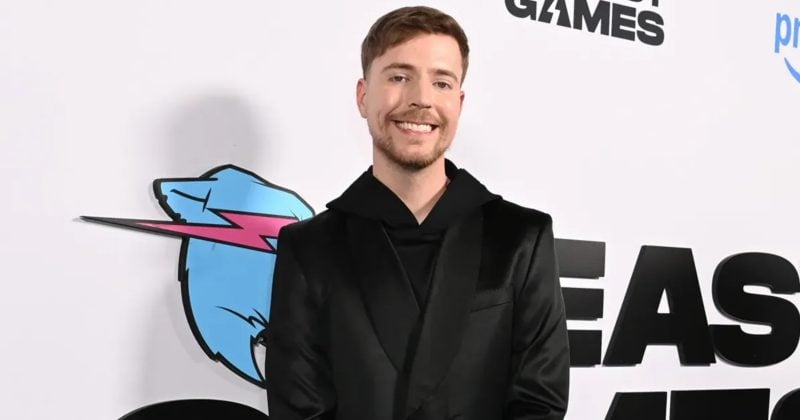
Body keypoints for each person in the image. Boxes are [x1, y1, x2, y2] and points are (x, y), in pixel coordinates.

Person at [264, 6, 569, 420]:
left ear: (458, 102)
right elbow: (299, 410)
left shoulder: (521, 239)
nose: (421, 99)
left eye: (441, 82)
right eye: (398, 77)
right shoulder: (309, 248)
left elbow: (540, 404)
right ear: (363, 96)